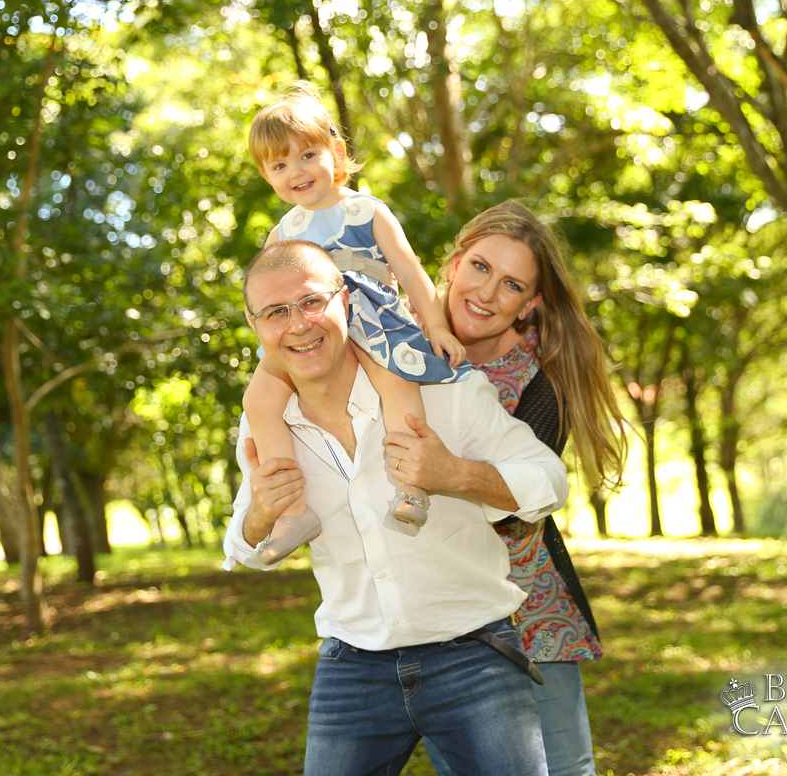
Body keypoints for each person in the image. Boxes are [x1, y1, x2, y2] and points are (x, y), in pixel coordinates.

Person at [223, 240, 570, 776]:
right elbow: (243, 548)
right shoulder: (266, 427)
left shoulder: (444, 391)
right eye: (275, 312)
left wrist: (454, 473)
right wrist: (260, 516)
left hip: (473, 656)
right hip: (352, 668)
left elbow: (549, 480)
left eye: (312, 302)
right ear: (254, 324)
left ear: (346, 300)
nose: (297, 325)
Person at [388, 200, 628, 776]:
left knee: (563, 767)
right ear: (452, 263)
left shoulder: (539, 385)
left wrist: (451, 472)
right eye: (479, 267)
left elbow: (519, 507)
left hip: (527, 606)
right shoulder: (388, 345)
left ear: (531, 304)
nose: (487, 293)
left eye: (512, 284)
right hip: (424, 607)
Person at [242, 82, 469, 564]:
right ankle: (292, 511)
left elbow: (409, 271)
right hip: (314, 329)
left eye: (306, 155)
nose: (295, 172)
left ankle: (413, 486)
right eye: (279, 165)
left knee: (397, 385)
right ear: (266, 175)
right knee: (258, 397)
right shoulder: (283, 232)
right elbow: (272, 295)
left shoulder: (366, 210)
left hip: (374, 320)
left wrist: (438, 327)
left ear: (335, 151)